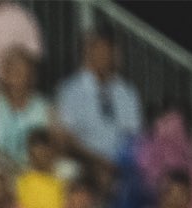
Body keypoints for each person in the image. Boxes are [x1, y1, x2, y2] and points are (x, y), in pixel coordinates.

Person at [53, 31, 141, 170]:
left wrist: (117, 164)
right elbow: (66, 138)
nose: (102, 56)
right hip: (83, 163)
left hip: (119, 166)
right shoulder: (70, 89)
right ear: (87, 53)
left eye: (106, 51)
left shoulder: (127, 92)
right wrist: (97, 161)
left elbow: (133, 136)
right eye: (97, 50)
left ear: (114, 55)